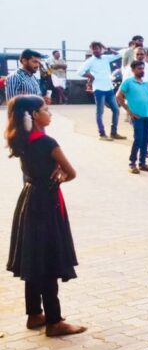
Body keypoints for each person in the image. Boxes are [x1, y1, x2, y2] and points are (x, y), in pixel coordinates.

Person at [6, 95, 87, 336]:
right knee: (49, 259)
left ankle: (34, 314)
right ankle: (54, 320)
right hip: (47, 202)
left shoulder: (22, 139)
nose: (49, 113)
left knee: (34, 257)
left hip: (29, 199)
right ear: (34, 115)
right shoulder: (46, 142)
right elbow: (72, 173)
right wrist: (61, 173)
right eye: (45, 109)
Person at [116, 61, 148, 174]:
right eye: (139, 68)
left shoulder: (147, 84)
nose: (142, 70)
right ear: (133, 70)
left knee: (145, 140)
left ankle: (142, 163)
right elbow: (118, 96)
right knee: (138, 139)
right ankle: (132, 163)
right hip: (137, 117)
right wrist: (130, 112)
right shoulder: (128, 82)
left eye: (143, 68)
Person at [78, 42, 124, 140]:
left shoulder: (105, 58)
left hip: (109, 88)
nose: (96, 50)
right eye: (94, 49)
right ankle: (102, 134)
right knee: (100, 112)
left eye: (98, 48)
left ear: (101, 49)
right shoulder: (90, 61)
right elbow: (80, 72)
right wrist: (90, 76)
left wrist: (108, 49)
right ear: (92, 50)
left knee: (116, 110)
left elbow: (119, 55)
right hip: (99, 89)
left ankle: (114, 132)